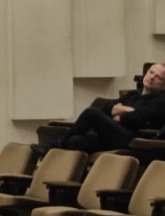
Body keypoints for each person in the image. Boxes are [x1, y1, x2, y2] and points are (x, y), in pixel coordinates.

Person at [32, 62, 165, 155]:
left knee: (91, 113)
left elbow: (138, 118)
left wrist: (120, 112)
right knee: (75, 141)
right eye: (151, 72)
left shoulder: (161, 100)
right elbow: (106, 107)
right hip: (112, 135)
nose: (152, 77)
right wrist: (127, 112)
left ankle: (56, 146)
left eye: (158, 77)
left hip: (132, 140)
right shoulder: (132, 95)